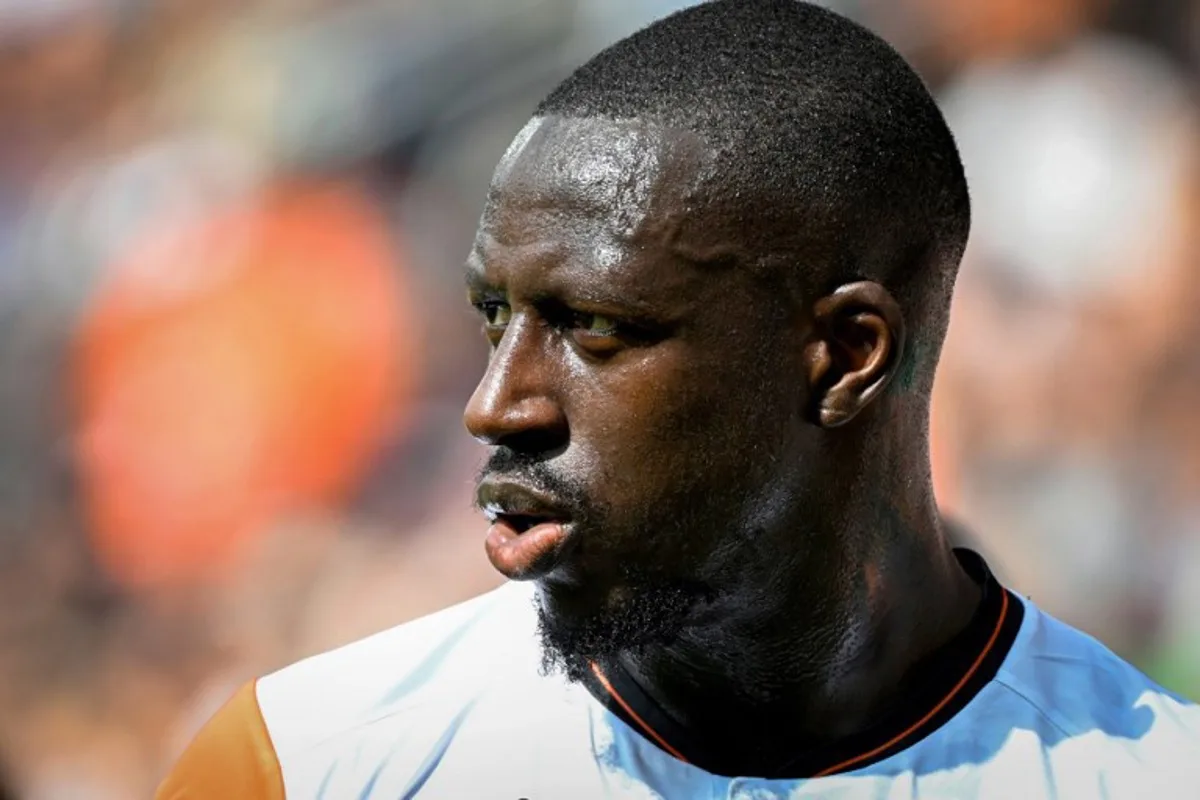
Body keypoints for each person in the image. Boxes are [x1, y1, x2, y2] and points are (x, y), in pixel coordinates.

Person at [155, 1, 1200, 797]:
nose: (496, 405)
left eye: (596, 327)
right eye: (494, 316)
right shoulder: (305, 764)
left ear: (844, 356)